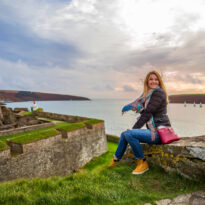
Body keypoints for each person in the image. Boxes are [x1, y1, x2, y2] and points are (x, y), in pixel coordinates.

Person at [110, 70, 171, 175]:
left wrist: (133, 129)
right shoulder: (147, 95)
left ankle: (142, 162)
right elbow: (148, 112)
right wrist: (139, 109)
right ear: (147, 82)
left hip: (159, 133)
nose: (153, 81)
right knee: (124, 134)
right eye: (151, 79)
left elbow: (148, 113)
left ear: (159, 82)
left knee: (129, 133)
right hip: (153, 131)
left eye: (156, 79)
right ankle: (116, 160)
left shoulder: (159, 93)